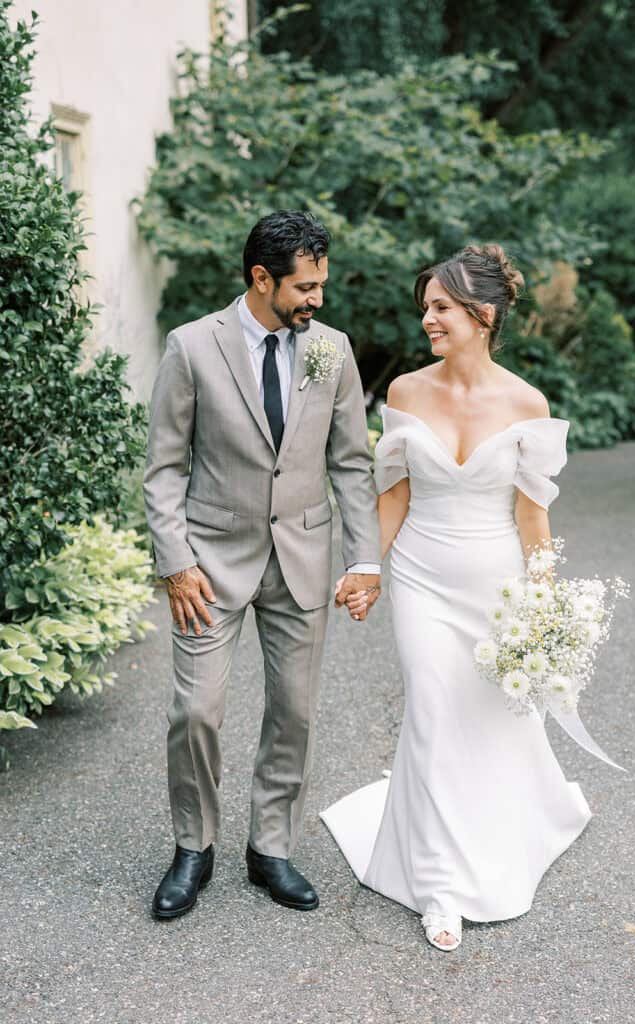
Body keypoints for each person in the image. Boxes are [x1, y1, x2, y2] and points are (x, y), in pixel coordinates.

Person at [321, 244, 592, 951]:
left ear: (484, 313)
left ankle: (508, 819)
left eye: (440, 307)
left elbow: (533, 519)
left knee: (487, 719)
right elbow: (394, 496)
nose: (428, 320)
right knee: (433, 710)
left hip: (495, 583)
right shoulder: (408, 393)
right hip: (421, 577)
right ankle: (439, 884)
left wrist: (544, 608)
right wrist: (365, 568)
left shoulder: (526, 404)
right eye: (425, 309)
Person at [144, 210, 381, 920]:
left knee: (294, 712)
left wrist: (363, 559)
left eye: (320, 285)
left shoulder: (330, 350)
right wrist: (176, 561)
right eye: (304, 287)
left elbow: (350, 463)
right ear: (260, 278)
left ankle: (270, 849)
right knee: (196, 710)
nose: (316, 300)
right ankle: (194, 847)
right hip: (209, 564)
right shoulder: (191, 347)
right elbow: (162, 469)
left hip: (302, 555)